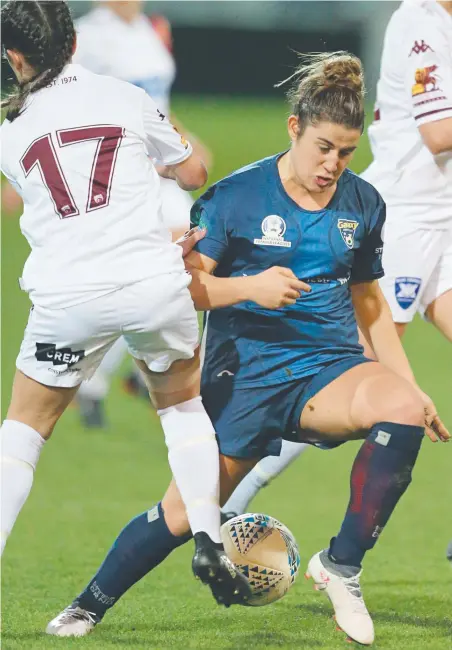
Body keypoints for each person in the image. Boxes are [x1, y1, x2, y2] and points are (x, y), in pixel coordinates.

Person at [46, 51, 449, 646]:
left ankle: (341, 566)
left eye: (345, 152)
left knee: (401, 412)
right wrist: (252, 288)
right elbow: (183, 288)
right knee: (182, 516)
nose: (333, 164)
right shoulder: (235, 198)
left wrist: (411, 387)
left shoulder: (363, 203)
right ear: (294, 128)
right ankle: (87, 605)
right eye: (323, 148)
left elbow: (368, 302)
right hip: (246, 379)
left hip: (329, 368)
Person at [0, 0, 252, 608]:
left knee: (24, 433)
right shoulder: (123, 96)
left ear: (13, 56)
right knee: (183, 409)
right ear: (73, 45)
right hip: (152, 284)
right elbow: (192, 172)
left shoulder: (10, 129)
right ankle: (208, 537)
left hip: (68, 296)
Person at [222, 0, 452, 530]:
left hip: (441, 220)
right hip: (407, 219)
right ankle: (229, 497)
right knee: (351, 369)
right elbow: (439, 134)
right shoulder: (422, 22)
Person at [72, 0, 212, 427]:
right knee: (174, 264)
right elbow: (62, 101)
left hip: (164, 170)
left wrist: (185, 140)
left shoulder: (149, 29)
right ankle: (142, 368)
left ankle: (120, 372)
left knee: (176, 266)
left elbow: (156, 104)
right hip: (123, 174)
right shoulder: (88, 36)